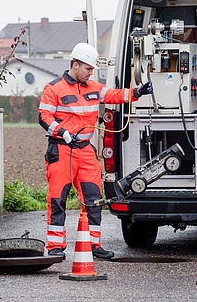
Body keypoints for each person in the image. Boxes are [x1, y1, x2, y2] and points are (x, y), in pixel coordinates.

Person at [38, 42, 153, 260]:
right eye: (88, 69)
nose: (91, 73)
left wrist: (138, 92)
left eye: (92, 70)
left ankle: (93, 245)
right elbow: (44, 117)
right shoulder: (53, 88)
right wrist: (62, 132)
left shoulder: (93, 88)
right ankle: (55, 246)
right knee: (57, 199)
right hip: (61, 151)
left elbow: (115, 95)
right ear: (75, 65)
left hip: (85, 151)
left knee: (94, 199)